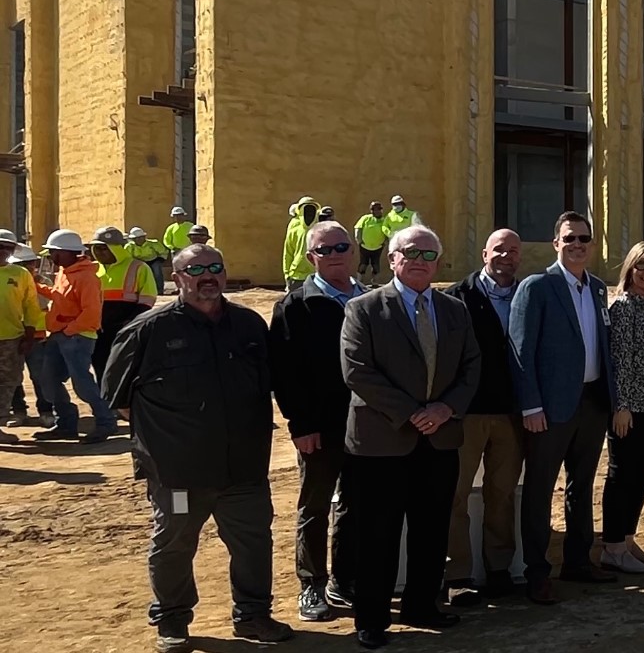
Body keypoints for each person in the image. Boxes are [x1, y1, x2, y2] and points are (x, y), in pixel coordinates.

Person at [102, 243, 293, 653]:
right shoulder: (147, 329)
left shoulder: (248, 324)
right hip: (180, 470)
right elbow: (117, 398)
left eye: (215, 268)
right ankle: (172, 620)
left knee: (253, 542)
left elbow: (269, 382)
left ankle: (253, 616)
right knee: (173, 545)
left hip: (244, 465)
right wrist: (168, 438)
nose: (207, 276)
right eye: (196, 269)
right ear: (177, 277)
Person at [339, 224, 480, 649]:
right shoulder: (363, 308)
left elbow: (472, 366)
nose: (420, 262)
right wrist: (412, 412)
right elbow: (356, 370)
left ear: (439, 261)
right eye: (411, 253)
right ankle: (372, 618)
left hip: (439, 438)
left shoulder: (454, 309)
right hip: (381, 441)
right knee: (377, 533)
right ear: (393, 259)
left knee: (431, 529)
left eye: (428, 255)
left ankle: (422, 605)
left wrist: (445, 408)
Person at [509, 211, 616, 601]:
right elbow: (520, 351)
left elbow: (603, 348)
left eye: (583, 239)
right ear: (556, 243)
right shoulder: (537, 287)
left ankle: (578, 562)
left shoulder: (599, 288)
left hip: (591, 403)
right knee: (539, 490)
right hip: (549, 409)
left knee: (581, 486)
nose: (577, 245)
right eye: (569, 239)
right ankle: (537, 572)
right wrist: (531, 406)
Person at [267, 221, 365, 622]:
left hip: (365, 427)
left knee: (356, 506)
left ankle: (345, 580)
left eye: (342, 246)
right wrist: (300, 425)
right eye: (325, 249)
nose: (335, 254)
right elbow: (284, 374)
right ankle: (311, 585)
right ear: (311, 257)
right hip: (319, 428)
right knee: (315, 507)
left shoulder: (369, 299)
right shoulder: (295, 305)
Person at [445, 229, 528, 601]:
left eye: (513, 251)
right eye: (499, 250)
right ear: (484, 254)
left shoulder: (528, 295)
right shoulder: (455, 298)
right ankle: (458, 575)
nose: (506, 257)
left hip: (512, 413)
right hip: (467, 414)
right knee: (456, 494)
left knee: (502, 493)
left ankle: (499, 570)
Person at [599, 241, 644, 574]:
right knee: (621, 475)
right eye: (642, 265)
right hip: (629, 409)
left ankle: (626, 539)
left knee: (641, 474)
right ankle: (612, 546)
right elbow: (619, 361)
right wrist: (621, 406)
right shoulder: (624, 307)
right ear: (630, 267)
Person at [32, 228, 116, 443]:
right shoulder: (65, 272)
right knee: (48, 379)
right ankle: (66, 424)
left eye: (54, 252)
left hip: (78, 336)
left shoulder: (86, 277)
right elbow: (60, 297)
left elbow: (91, 313)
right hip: (62, 334)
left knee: (82, 383)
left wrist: (68, 330)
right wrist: (36, 287)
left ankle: (105, 422)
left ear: (69, 253)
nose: (51, 256)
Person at [90, 225, 159, 382]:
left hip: (125, 328)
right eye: (96, 248)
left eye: (104, 248)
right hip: (97, 329)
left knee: (123, 368)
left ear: (117, 249)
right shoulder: (93, 269)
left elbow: (147, 299)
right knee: (100, 366)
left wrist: (131, 323)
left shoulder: (138, 267)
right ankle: (106, 402)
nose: (99, 253)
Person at [0, 230, 45, 445]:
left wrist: (28, 335)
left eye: (7, 248)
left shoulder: (20, 275)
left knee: (8, 382)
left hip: (11, 338)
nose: (3, 252)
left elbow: (31, 306)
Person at [283, 197, 320, 293]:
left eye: (312, 209)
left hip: (316, 275)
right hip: (296, 276)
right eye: (306, 209)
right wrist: (287, 275)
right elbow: (288, 253)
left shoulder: (321, 230)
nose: (309, 213)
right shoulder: (294, 230)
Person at [353, 202, 390, 282]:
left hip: (378, 247)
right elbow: (358, 228)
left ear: (381, 210)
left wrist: (385, 242)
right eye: (374, 209)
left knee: (375, 265)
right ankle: (359, 282)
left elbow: (388, 231)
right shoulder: (365, 218)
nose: (376, 211)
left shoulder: (385, 220)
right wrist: (359, 240)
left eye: (378, 209)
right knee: (363, 264)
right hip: (364, 247)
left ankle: (375, 283)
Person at [128, 226, 167, 294]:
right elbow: (127, 257)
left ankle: (159, 290)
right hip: (138, 262)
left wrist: (161, 259)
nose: (139, 239)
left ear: (144, 237)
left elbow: (163, 252)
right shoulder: (130, 246)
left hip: (153, 260)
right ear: (133, 239)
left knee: (157, 272)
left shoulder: (153, 243)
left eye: (141, 237)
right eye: (137, 238)